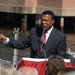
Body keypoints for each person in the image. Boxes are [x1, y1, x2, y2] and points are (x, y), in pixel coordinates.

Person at [0, 10, 69, 58]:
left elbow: (61, 56)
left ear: (52, 21)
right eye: (42, 20)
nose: (43, 22)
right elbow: (23, 44)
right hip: (35, 68)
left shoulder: (60, 36)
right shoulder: (34, 31)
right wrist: (6, 40)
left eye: (46, 20)